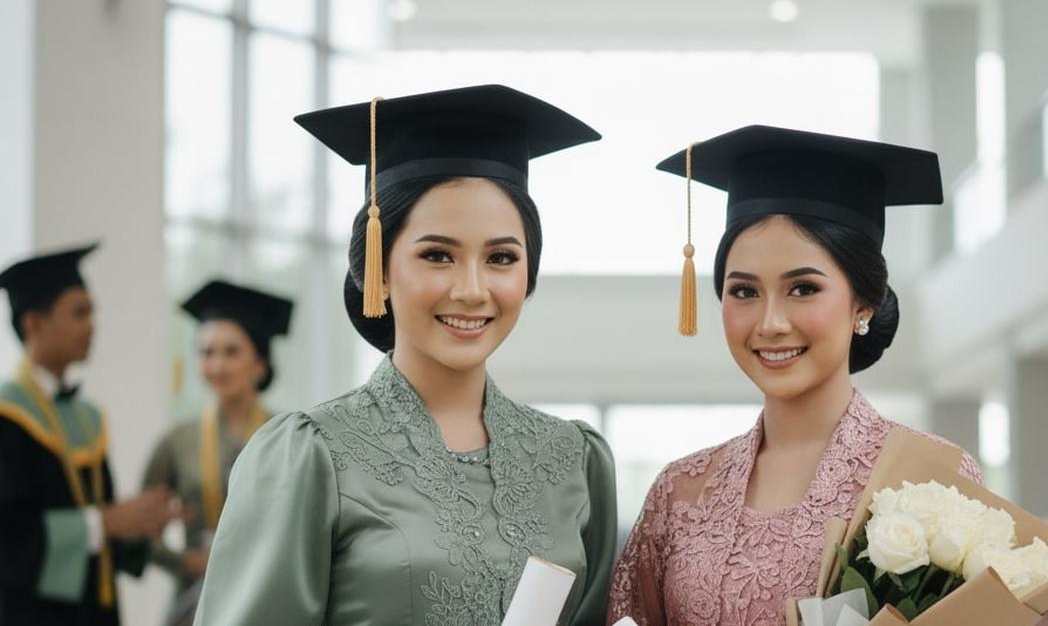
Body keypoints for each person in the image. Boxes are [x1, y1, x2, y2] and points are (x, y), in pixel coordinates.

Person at [194, 85, 618, 625]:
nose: (472, 290)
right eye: (438, 255)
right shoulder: (311, 455)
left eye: (501, 258)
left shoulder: (574, 460)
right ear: (379, 271)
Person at [607, 126, 983, 626]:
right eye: (744, 291)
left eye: (803, 289)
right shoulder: (679, 491)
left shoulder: (934, 480)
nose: (771, 323)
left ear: (863, 304)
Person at [0, 243, 176, 625]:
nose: (92, 324)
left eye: (92, 311)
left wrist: (137, 525)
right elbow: (9, 539)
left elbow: (102, 528)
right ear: (34, 324)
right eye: (79, 312)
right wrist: (105, 522)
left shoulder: (87, 418)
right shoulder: (8, 415)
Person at [142, 279, 293, 624]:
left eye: (231, 352)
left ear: (260, 362)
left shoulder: (287, 436)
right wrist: (184, 560)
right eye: (207, 352)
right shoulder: (177, 441)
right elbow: (141, 528)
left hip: (268, 598)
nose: (217, 366)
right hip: (194, 601)